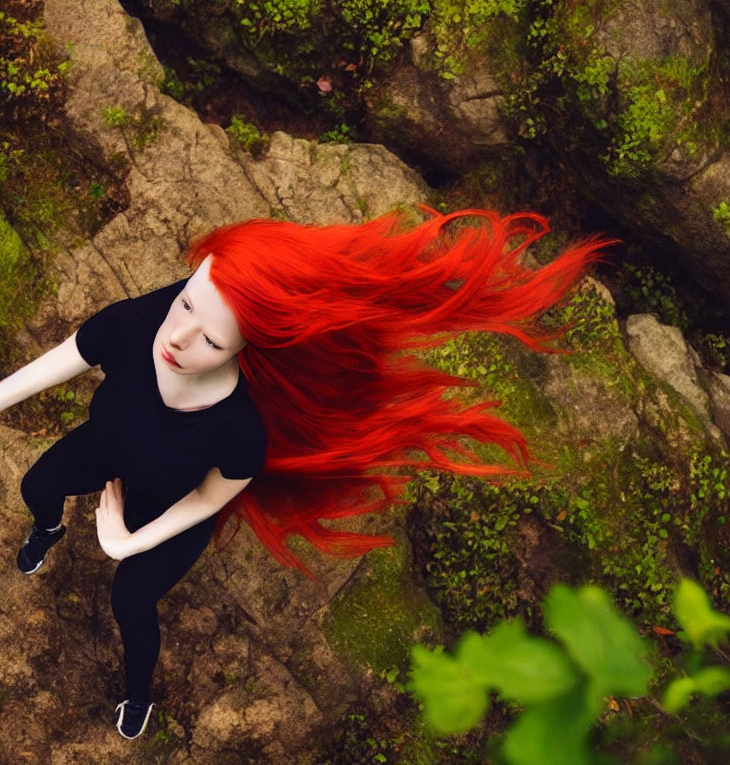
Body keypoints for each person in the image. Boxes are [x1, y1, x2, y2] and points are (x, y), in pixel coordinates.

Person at [1, 204, 614, 740]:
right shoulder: (138, 322)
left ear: (244, 348)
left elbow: (213, 499)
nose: (179, 334)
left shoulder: (240, 429)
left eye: (211, 339)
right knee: (37, 486)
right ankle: (49, 529)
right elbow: (63, 360)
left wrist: (131, 541)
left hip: (171, 499)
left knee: (131, 599)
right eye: (187, 299)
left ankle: (139, 695)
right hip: (110, 447)